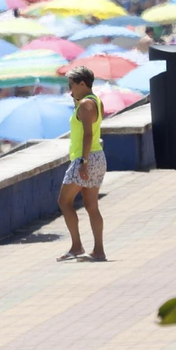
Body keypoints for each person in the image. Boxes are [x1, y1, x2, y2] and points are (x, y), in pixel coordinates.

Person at [56, 66, 106, 262]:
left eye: (72, 85)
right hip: (97, 156)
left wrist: (83, 162)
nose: (70, 90)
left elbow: (87, 134)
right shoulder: (95, 101)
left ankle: (77, 246)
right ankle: (98, 250)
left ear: (82, 84)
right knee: (91, 205)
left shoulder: (86, 105)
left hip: (85, 158)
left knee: (64, 201)